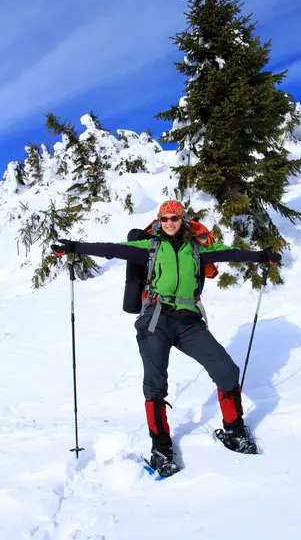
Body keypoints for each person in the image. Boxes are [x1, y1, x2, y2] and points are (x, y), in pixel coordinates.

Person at [51, 200, 281, 477]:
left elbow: (227, 252)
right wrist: (75, 247)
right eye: (164, 218)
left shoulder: (197, 249)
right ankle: (161, 447)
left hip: (189, 322)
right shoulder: (150, 247)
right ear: (159, 221)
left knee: (226, 370)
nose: (170, 222)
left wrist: (259, 256)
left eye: (174, 218)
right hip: (156, 320)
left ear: (182, 220)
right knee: (155, 383)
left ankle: (234, 430)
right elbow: (112, 249)